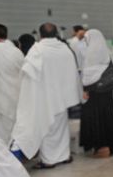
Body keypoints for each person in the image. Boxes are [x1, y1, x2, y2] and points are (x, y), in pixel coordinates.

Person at [11, 23, 82, 168]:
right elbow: (72, 72)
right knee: (61, 127)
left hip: (44, 97)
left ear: (40, 34)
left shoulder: (37, 50)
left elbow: (28, 72)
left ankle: (49, 160)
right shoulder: (64, 49)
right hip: (62, 96)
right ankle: (63, 156)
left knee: (46, 127)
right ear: (56, 33)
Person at [80, 29, 113, 158]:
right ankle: (111, 145)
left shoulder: (89, 53)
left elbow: (87, 75)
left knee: (97, 119)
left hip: (94, 92)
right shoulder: (107, 51)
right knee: (108, 116)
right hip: (107, 91)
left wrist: (85, 89)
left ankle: (102, 147)